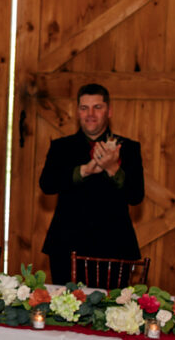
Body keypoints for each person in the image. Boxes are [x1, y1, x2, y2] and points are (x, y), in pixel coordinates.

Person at [39, 83, 145, 284]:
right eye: (84, 108)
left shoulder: (128, 148)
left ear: (109, 111)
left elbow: (136, 195)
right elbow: (47, 185)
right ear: (77, 111)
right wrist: (84, 171)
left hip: (114, 247)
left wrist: (113, 168)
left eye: (97, 107)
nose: (90, 114)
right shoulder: (61, 147)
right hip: (67, 245)